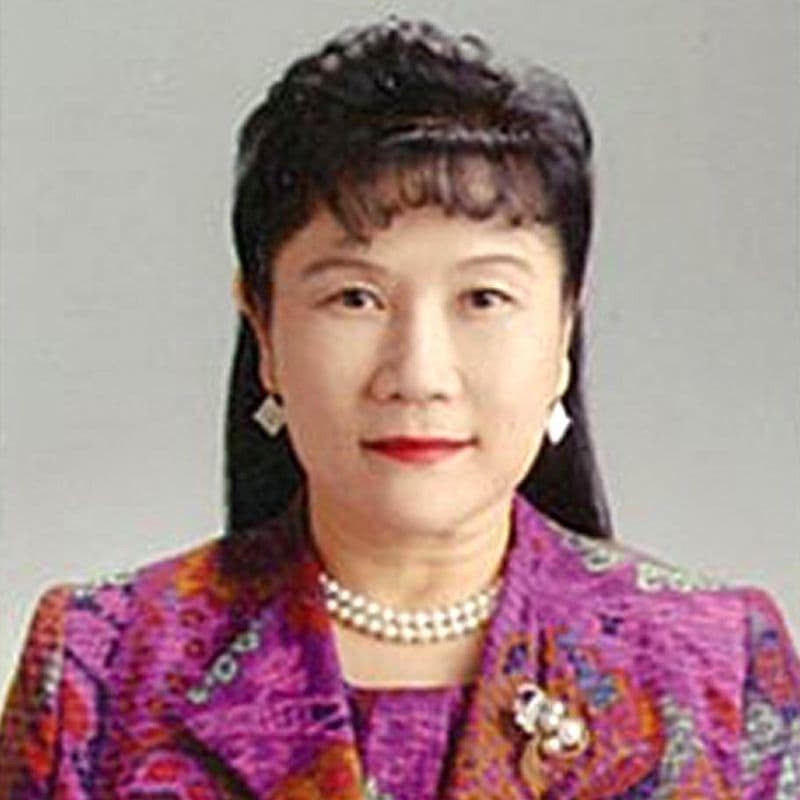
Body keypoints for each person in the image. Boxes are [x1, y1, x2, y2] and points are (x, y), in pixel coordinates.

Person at [1, 16, 798, 800]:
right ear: (265, 331)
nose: (418, 375)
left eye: (483, 298)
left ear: (563, 330)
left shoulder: (716, 665)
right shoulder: (102, 665)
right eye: (356, 298)